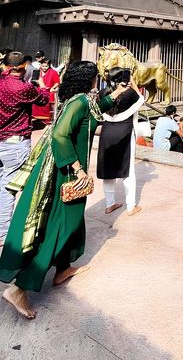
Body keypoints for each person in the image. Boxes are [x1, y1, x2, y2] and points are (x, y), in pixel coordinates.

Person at [0, 61, 128, 319]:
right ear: (90, 79)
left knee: (72, 222)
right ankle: (20, 287)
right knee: (61, 227)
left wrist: (116, 93)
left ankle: (63, 269)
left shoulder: (78, 99)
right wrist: (78, 169)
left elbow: (94, 111)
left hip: (65, 169)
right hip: (65, 173)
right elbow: (60, 135)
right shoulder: (79, 102)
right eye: (96, 77)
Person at [0, 51, 50, 245]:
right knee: (9, 188)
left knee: (3, 183)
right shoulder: (22, 87)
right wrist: (43, 85)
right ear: (23, 67)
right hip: (14, 142)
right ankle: (3, 232)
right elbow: (44, 99)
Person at [98, 67, 144, 217]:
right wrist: (133, 83)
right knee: (128, 169)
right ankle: (131, 206)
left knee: (108, 169)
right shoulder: (129, 93)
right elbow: (141, 100)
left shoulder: (103, 93)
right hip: (124, 131)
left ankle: (109, 204)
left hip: (107, 132)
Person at [31, 57, 61, 124]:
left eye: (46, 66)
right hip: (38, 90)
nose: (44, 67)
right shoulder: (37, 71)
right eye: (43, 66)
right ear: (40, 65)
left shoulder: (53, 72)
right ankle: (36, 117)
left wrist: (53, 87)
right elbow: (33, 81)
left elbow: (57, 82)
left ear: (49, 65)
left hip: (49, 91)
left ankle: (46, 119)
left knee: (47, 100)